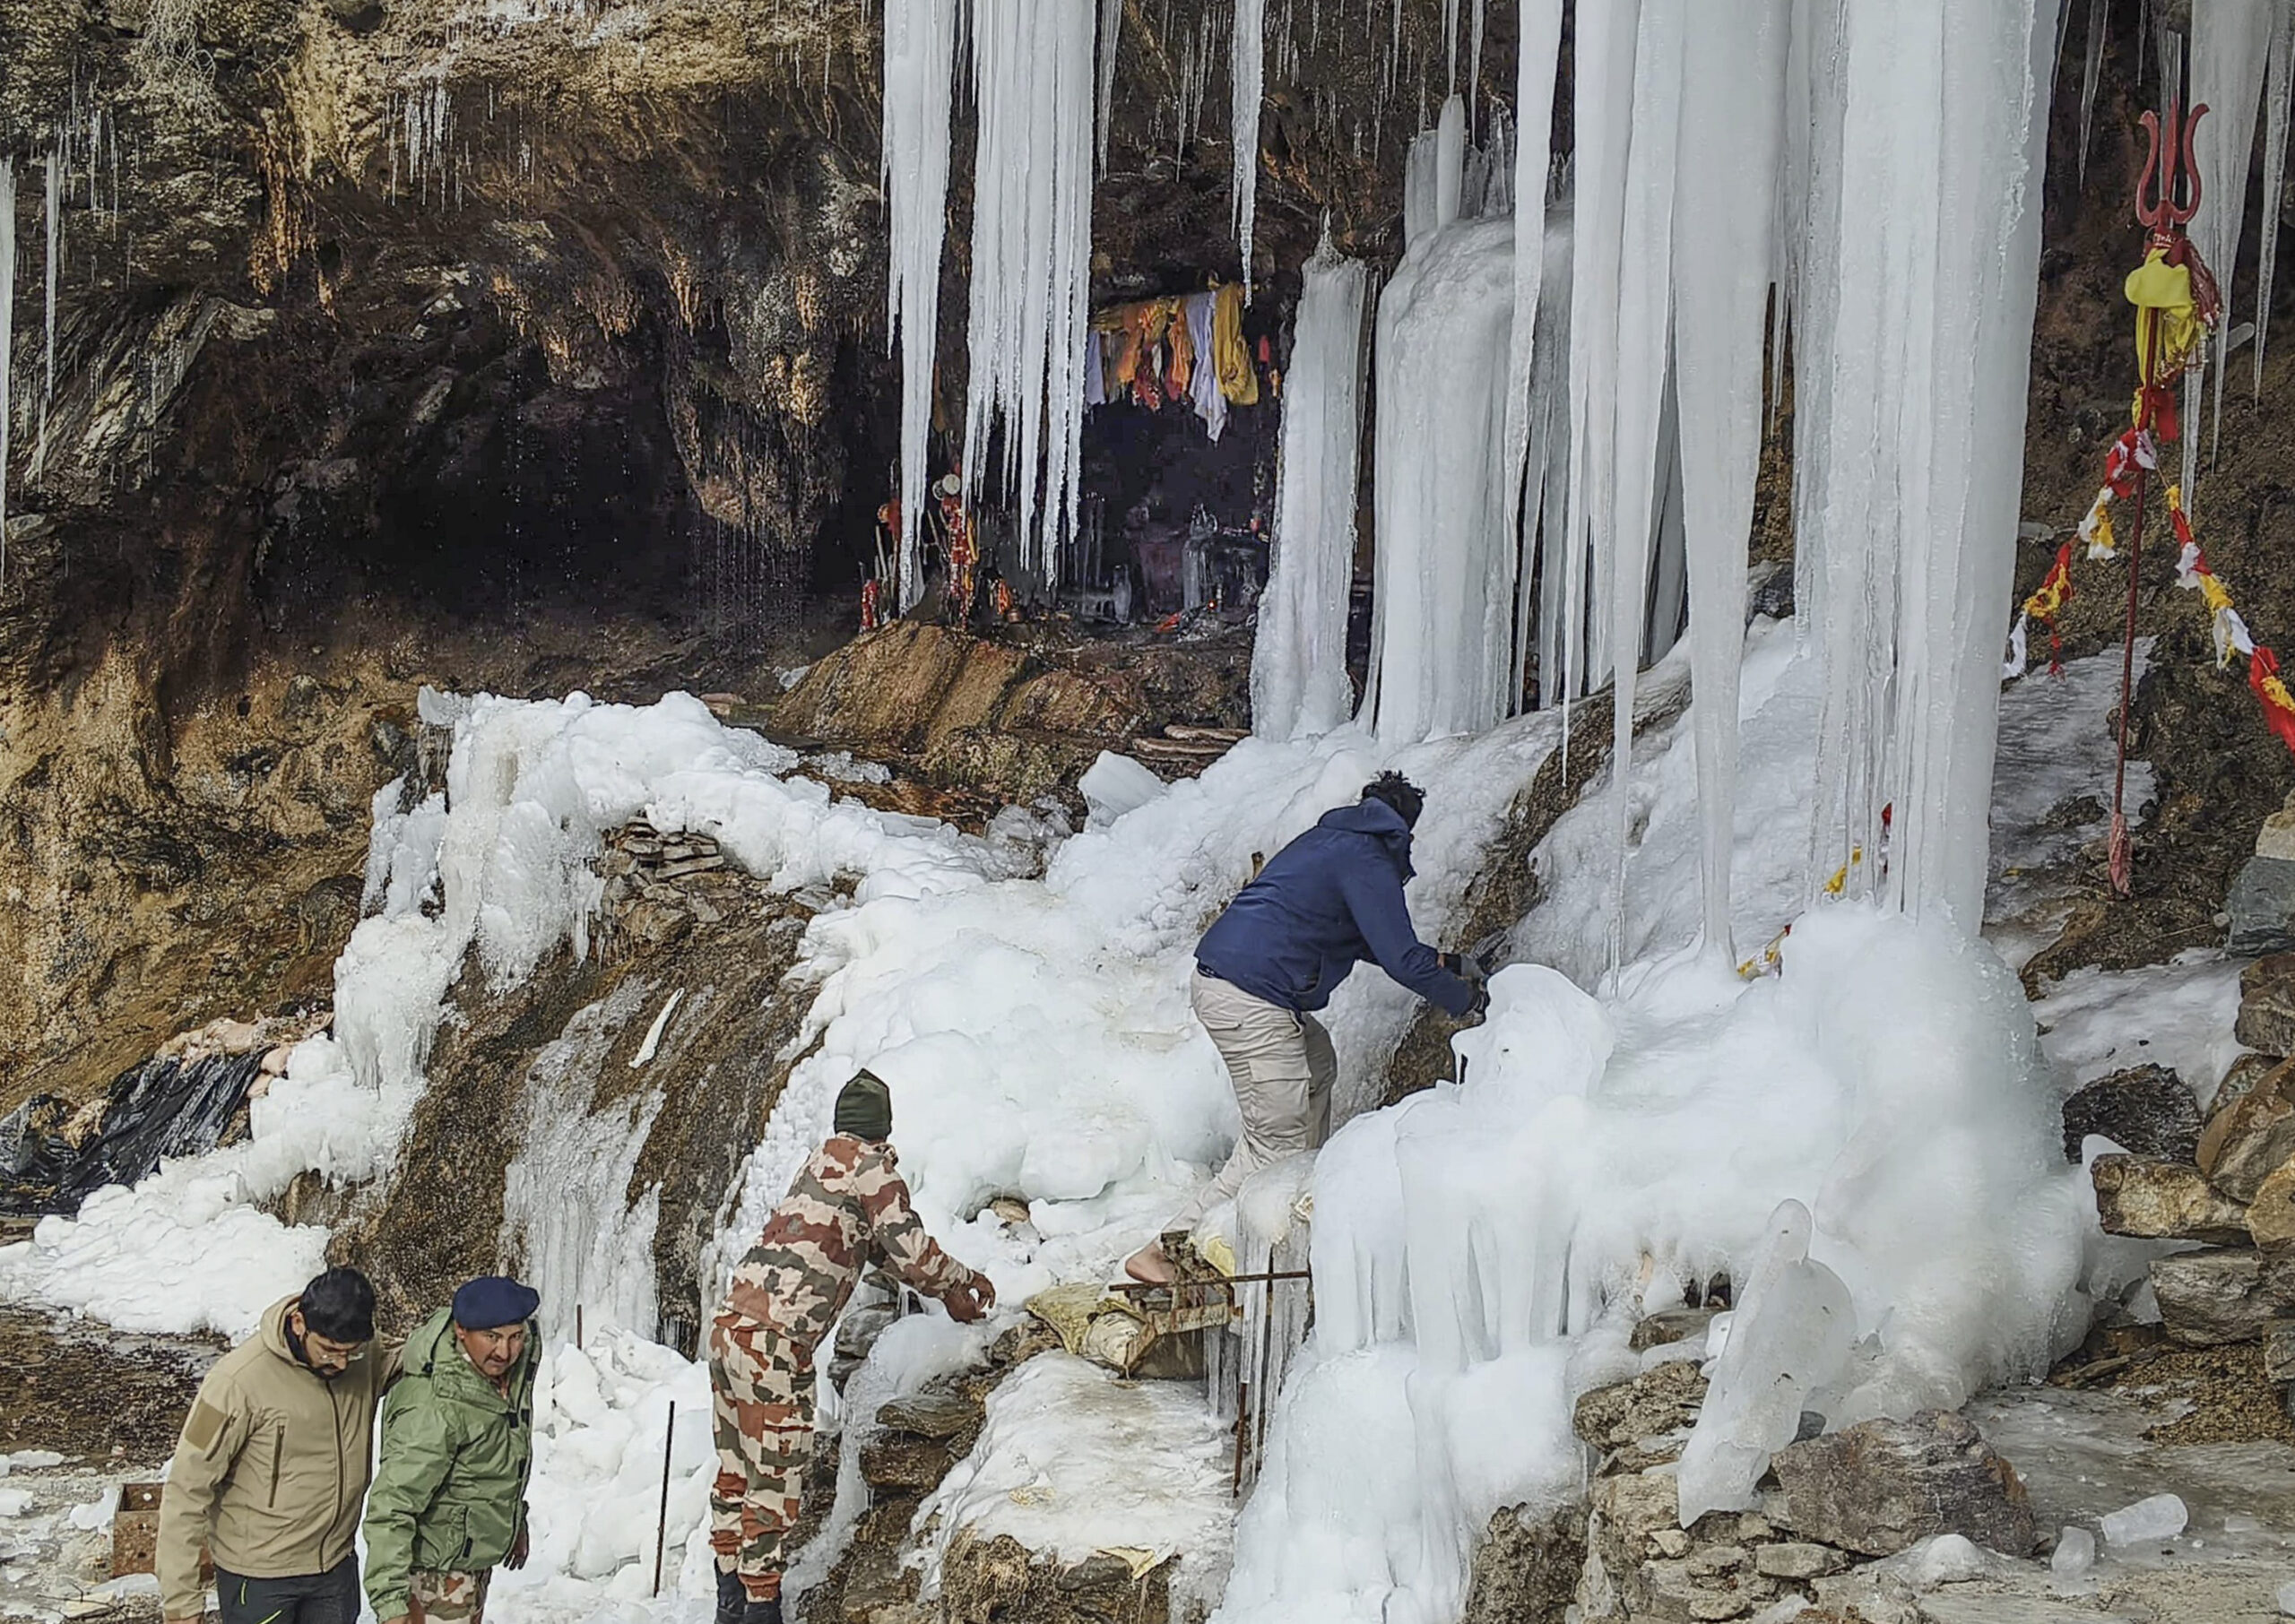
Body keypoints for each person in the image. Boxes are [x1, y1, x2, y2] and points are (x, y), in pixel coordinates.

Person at [1126, 772, 1486, 1284]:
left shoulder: (1332, 841)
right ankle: (1167, 1249)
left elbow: (1366, 940)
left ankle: (1299, 1214)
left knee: (1318, 1064)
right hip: (1250, 998)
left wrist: (1447, 962)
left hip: (1243, 987)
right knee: (1275, 1144)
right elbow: (1401, 958)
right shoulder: (1366, 859)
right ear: (1403, 828)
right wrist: (1468, 1001)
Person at [708, 1070, 994, 1624]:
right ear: (883, 1129)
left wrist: (939, 1290)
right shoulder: (871, 1169)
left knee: (735, 1474)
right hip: (775, 1345)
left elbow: (875, 1250)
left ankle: (728, 1602)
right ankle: (760, 1610)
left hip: (729, 1330)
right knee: (774, 1483)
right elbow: (911, 1252)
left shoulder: (821, 1164)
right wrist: (962, 1280)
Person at [158, 1267, 398, 1624]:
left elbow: (415, 1355)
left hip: (335, 1569)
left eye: (352, 1351)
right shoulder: (235, 1383)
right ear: (299, 1322)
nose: (342, 1362)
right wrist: (181, 1605)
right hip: (258, 1577)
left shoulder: (363, 1356)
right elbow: (186, 1489)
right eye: (330, 1350)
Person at [363, 1276, 542, 1624]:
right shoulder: (435, 1408)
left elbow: (498, 1454)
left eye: (514, 1336)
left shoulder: (508, 1369)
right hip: (433, 1578)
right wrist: (391, 1606)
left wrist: (512, 1518)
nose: (504, 1351)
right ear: (461, 1331)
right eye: (491, 1337)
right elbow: (391, 1505)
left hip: (470, 1562)